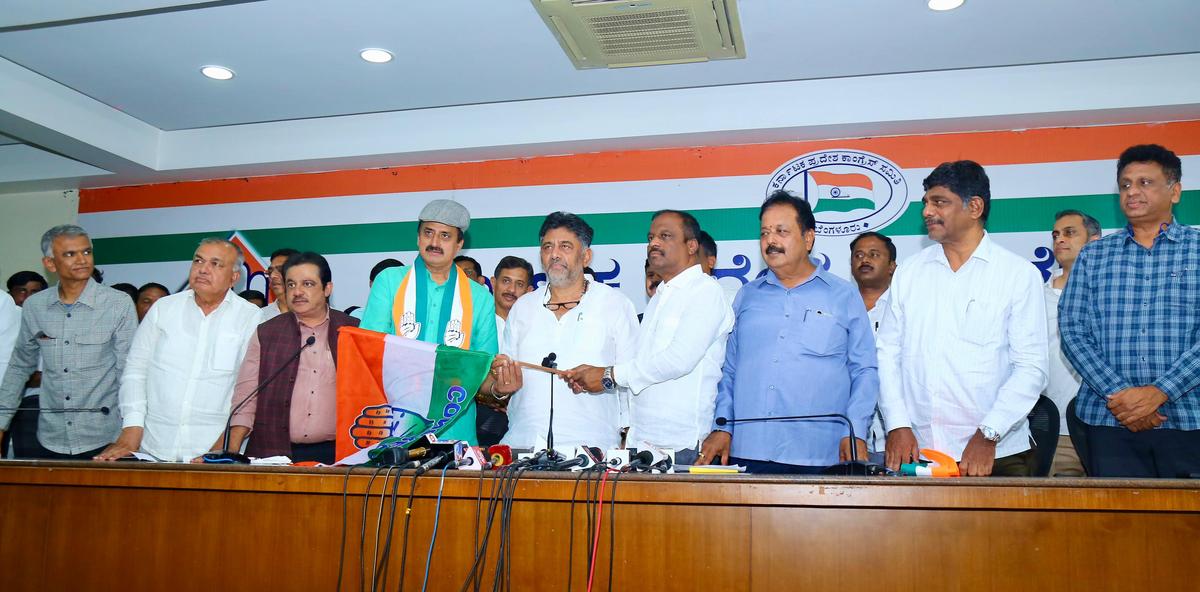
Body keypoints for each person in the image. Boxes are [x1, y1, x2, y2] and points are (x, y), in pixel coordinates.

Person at [877, 161, 1048, 477]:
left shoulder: (1017, 275)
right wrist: (897, 424)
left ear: (975, 207)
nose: (927, 211)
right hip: (918, 452)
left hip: (995, 453)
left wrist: (989, 433)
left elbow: (1031, 368)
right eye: (926, 202)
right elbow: (887, 356)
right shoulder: (909, 275)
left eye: (939, 202)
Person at [698, 192, 878, 473]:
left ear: (808, 239)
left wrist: (855, 430)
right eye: (765, 233)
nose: (771, 241)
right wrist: (722, 426)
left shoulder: (843, 296)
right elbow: (729, 371)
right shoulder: (747, 296)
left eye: (781, 231)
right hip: (748, 451)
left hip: (821, 454)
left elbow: (864, 370)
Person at [1059, 144, 1200, 478]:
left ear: (1175, 191)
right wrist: (1121, 397)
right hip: (1110, 422)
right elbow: (1073, 331)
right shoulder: (1094, 257)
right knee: (1117, 528)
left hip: (1189, 418)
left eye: (1145, 183)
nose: (1132, 192)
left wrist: (1160, 392)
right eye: (1125, 184)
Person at [565, 210, 733, 464]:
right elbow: (641, 364)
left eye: (665, 236)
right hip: (641, 442)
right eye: (651, 237)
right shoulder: (661, 295)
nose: (653, 243)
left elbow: (678, 360)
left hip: (681, 446)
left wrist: (608, 376)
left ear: (691, 246)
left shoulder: (705, 291)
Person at [95, 238, 261, 461]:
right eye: (198, 261)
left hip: (213, 452)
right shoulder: (164, 309)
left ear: (234, 277)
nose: (203, 269)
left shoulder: (250, 318)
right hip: (152, 447)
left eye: (215, 264)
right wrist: (132, 429)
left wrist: (222, 448)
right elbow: (136, 371)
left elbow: (250, 389)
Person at [486, 212, 638, 451]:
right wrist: (501, 383)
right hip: (523, 444)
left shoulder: (616, 304)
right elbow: (505, 383)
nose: (554, 254)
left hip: (593, 449)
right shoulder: (523, 307)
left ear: (586, 256)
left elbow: (632, 379)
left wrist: (628, 440)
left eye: (565, 246)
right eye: (547, 247)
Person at [360, 199, 498, 444]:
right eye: (428, 233)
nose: (434, 243)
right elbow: (367, 352)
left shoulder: (480, 298)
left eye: (445, 236)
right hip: (393, 427)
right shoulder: (389, 282)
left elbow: (483, 368)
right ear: (418, 238)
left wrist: (499, 387)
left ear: (459, 245)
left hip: (454, 430)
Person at [0, 225, 137, 459]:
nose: (82, 260)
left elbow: (130, 372)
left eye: (86, 252)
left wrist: (131, 429)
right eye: (70, 254)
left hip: (105, 436)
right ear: (50, 264)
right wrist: (1, 423)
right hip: (49, 436)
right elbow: (19, 367)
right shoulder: (35, 306)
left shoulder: (118, 304)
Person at [221, 252, 359, 464]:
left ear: (327, 288)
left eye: (308, 284)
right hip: (274, 454)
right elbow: (246, 397)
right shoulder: (266, 333)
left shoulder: (353, 329)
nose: (298, 292)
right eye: (291, 284)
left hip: (339, 455)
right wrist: (231, 452)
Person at [1043, 210, 1101, 476]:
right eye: (1056, 235)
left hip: (1098, 431)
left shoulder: (1112, 296)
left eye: (1069, 233)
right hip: (1047, 432)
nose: (1060, 240)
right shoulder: (1033, 295)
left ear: (1094, 241)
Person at [477, 255, 535, 447]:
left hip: (525, 417)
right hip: (483, 416)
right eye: (506, 281)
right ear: (493, 283)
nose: (511, 290)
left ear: (529, 291)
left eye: (519, 284)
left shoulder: (537, 329)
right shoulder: (475, 323)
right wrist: (493, 396)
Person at [849, 231, 897, 460]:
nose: (864, 260)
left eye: (873, 254)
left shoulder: (905, 309)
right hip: (848, 439)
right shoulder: (838, 307)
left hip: (899, 440)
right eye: (858, 255)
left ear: (892, 266)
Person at [3, 271, 47, 456]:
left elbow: (40, 377)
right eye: (22, 291)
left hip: (30, 400)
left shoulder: (48, 324)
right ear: (10, 293)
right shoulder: (6, 318)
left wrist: (12, 378)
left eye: (35, 292)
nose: (27, 298)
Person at [260, 247, 300, 323]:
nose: (273, 276)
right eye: (270, 271)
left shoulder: (321, 315)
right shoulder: (260, 316)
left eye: (281, 270)